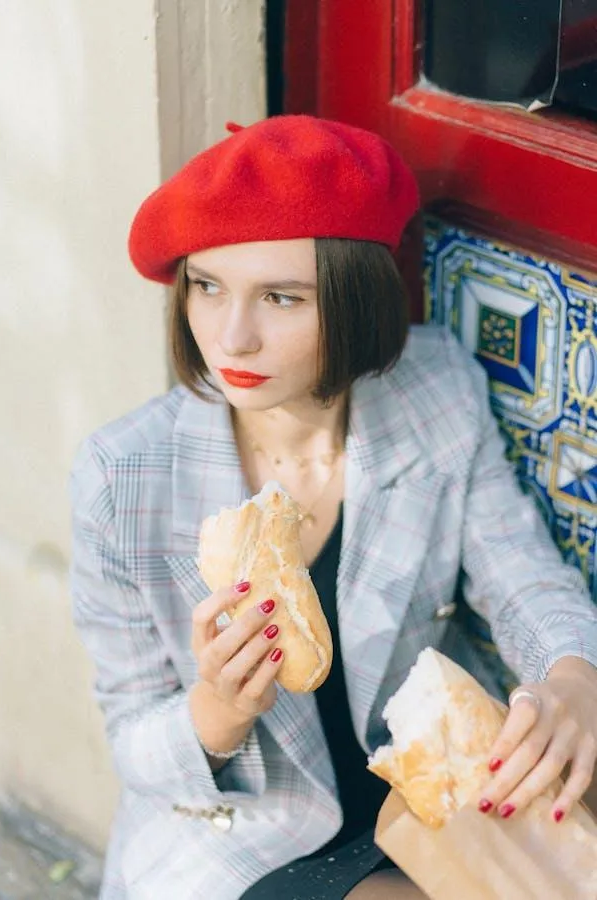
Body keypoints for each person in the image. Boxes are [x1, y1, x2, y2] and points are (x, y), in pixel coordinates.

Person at [70, 115, 597, 900]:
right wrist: (217, 710)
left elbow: (520, 577)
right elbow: (135, 745)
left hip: (430, 785)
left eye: (281, 297)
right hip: (245, 837)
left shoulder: (438, 391)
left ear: (356, 301)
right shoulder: (123, 475)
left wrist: (576, 675)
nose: (233, 338)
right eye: (208, 287)